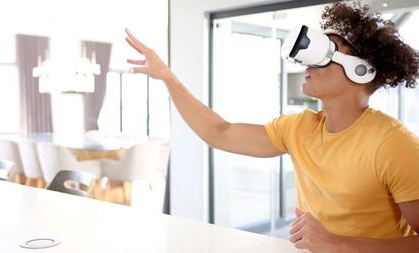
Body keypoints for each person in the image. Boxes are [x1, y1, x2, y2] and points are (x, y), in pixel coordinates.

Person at [125, 1, 419, 252]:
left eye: (326, 52)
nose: (306, 62)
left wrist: (337, 243)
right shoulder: (299, 129)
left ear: (361, 70)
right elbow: (219, 133)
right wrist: (168, 78)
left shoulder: (394, 144)